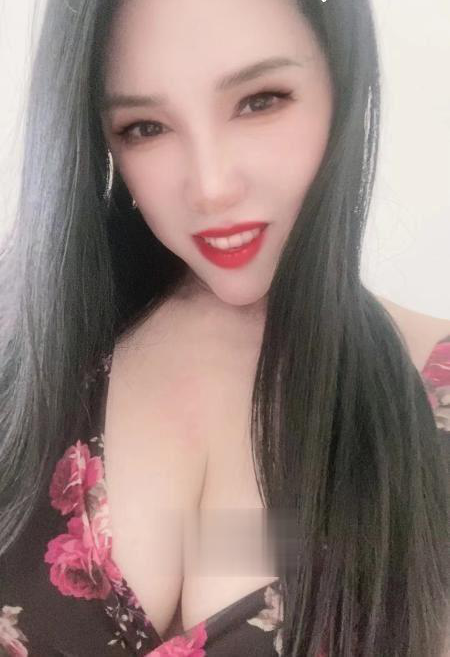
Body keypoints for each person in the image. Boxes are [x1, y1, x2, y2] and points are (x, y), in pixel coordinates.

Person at [0, 0, 449, 655]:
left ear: (343, 81)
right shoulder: (22, 354)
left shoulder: (435, 404)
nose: (210, 187)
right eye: (145, 127)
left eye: (260, 101)